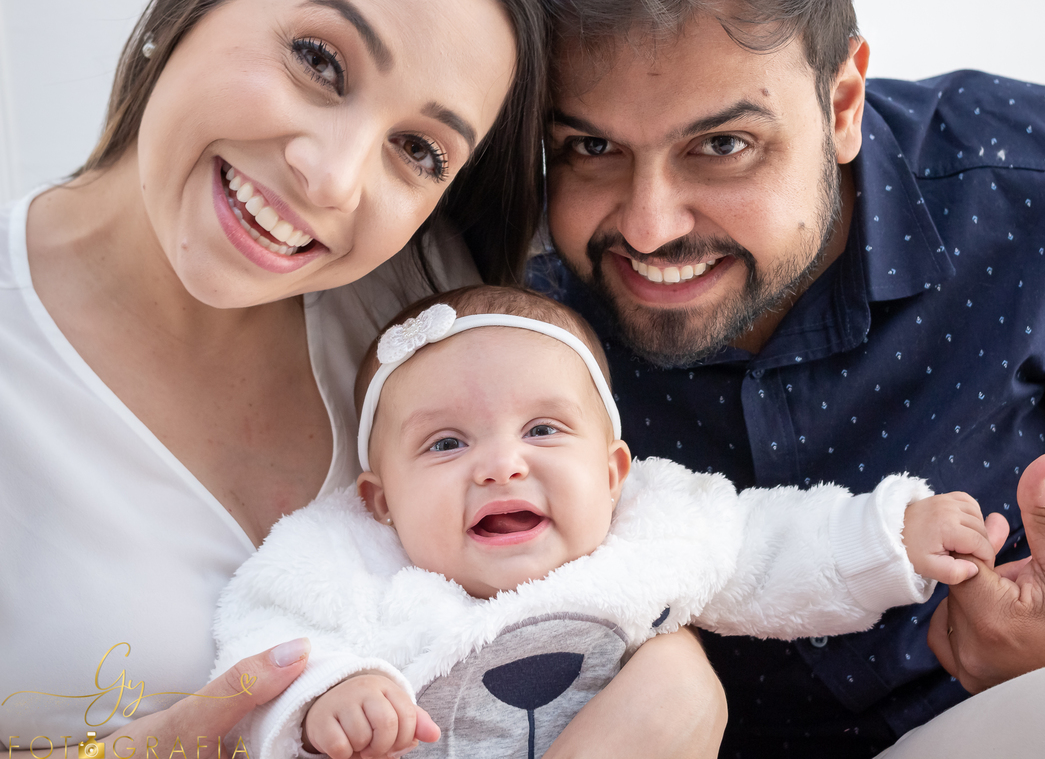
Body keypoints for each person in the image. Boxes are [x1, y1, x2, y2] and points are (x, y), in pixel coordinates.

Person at [0, 0, 726, 757]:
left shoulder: (429, 316)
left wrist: (675, 683)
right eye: (318, 60)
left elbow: (599, 564)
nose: (333, 178)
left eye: (417, 149)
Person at [530, 0, 1045, 756]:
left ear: (842, 102)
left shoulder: (1036, 193)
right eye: (591, 145)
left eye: (723, 143)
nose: (647, 228)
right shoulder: (503, 292)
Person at [211, 284, 1000, 759]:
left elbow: (770, 547)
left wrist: (892, 534)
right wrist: (327, 694)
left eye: (544, 430)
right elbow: (262, 635)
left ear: (613, 472)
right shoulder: (349, 563)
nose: (500, 466)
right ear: (380, 501)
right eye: (447, 443)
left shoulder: (650, 532)